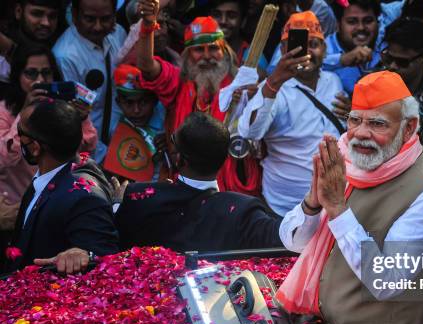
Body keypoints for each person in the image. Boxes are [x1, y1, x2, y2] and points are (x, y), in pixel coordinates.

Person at [276, 71, 423, 324]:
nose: (360, 134)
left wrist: (337, 208)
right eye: (355, 120)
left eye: (377, 124)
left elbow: (386, 279)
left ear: (410, 128)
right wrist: (314, 203)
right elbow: (295, 243)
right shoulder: (346, 160)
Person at [114, 111, 283, 252]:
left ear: (179, 158)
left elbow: (114, 243)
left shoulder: (138, 196)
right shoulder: (243, 211)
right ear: (225, 160)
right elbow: (286, 237)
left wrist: (117, 205)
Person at [238, 11, 345, 216]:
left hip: (333, 204)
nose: (306, 52)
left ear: (323, 49)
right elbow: (250, 132)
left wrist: (351, 116)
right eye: (297, 46)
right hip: (284, 208)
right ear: (282, 50)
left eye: (313, 44)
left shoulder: (333, 81)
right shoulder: (272, 89)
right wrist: (274, 81)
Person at [0, 46, 98, 259]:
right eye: (31, 73)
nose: (39, 80)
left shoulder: (61, 109)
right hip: (14, 211)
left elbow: (88, 145)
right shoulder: (4, 111)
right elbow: (4, 158)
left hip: (57, 205)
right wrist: (27, 114)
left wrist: (78, 118)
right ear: (17, 76)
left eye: (46, 73)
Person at [4, 99, 118, 276]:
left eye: (20, 133)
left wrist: (84, 255)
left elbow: (105, 260)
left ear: (34, 147)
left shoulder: (85, 199)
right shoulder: (47, 176)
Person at [53, 0, 127, 162]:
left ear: (115, 15)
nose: (98, 27)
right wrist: (105, 158)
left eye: (106, 19)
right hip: (90, 153)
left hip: (124, 146)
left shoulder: (119, 34)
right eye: (90, 19)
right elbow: (73, 115)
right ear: (74, 15)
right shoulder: (65, 56)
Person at [105, 63, 165, 181]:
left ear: (155, 100)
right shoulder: (114, 128)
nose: (136, 110)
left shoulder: (169, 124)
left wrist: (172, 143)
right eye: (129, 103)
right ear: (118, 103)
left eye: (143, 102)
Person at [325, 0, 383, 94]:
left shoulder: (385, 46)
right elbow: (308, 68)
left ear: (378, 22)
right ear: (338, 25)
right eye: (352, 22)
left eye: (368, 21)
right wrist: (341, 60)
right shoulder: (323, 51)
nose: (361, 28)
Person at [0, 0, 65, 83]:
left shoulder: (62, 44)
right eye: (37, 14)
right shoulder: (3, 58)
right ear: (18, 11)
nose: (46, 23)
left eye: (52, 16)